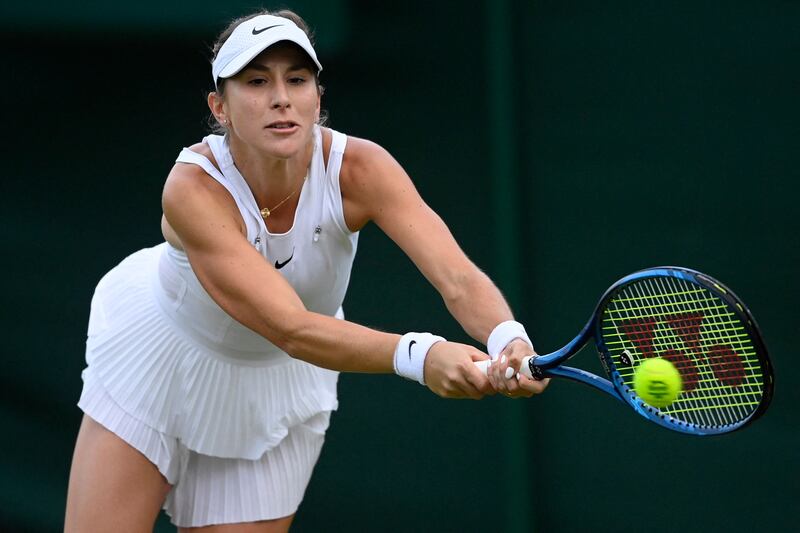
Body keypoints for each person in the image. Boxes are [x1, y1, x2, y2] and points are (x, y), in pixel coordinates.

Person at [64, 8, 548, 532]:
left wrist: (508, 338)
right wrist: (421, 355)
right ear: (219, 107)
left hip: (278, 395)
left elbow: (457, 277)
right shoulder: (193, 190)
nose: (281, 98)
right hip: (159, 364)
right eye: (256, 81)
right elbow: (290, 328)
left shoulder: (361, 169)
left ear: (318, 96)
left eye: (297, 79)